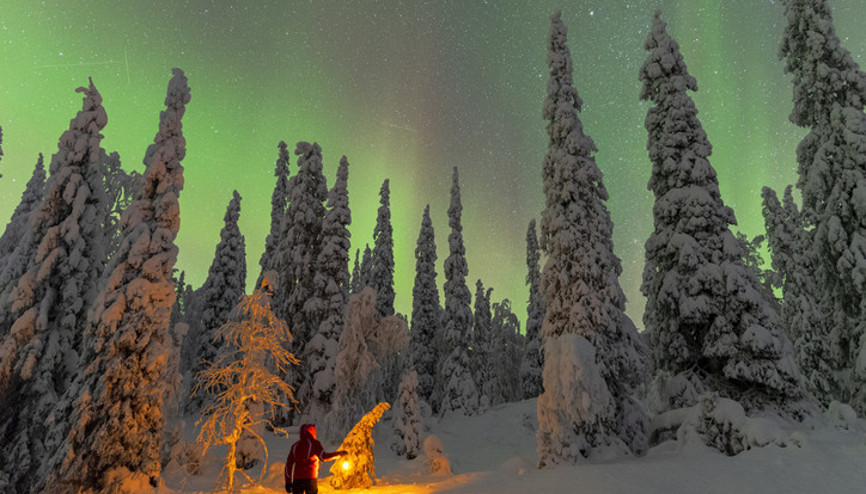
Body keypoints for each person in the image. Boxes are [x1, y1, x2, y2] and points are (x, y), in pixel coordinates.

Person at [284, 423, 346, 494]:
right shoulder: (314, 444)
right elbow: (323, 457)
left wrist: (288, 482)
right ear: (313, 432)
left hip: (297, 480)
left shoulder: (295, 446)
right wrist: (339, 454)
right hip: (310, 480)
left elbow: (288, 465)